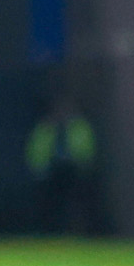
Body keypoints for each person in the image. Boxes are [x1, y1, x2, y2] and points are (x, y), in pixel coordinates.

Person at [26, 95, 97, 235]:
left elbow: (87, 147)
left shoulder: (78, 127)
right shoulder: (46, 128)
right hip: (51, 172)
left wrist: (85, 167)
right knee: (50, 205)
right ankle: (50, 232)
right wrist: (39, 170)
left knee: (75, 204)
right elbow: (36, 149)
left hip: (73, 171)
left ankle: (75, 231)